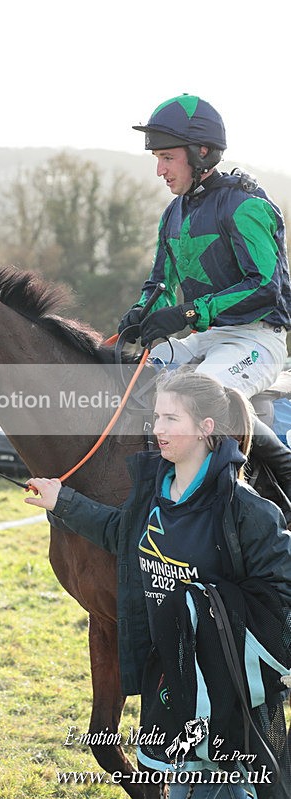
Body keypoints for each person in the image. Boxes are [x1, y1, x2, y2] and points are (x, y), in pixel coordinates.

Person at [25, 368, 291, 799]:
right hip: (165, 684)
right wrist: (62, 501)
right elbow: (121, 535)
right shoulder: (152, 495)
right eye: (156, 417)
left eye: (171, 419)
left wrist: (206, 615)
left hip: (227, 699)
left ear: (206, 428)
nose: (157, 430)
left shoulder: (249, 512)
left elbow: (283, 606)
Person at [117, 93, 291, 516]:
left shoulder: (245, 206)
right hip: (206, 336)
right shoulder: (173, 213)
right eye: (157, 158)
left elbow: (266, 288)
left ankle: (284, 477)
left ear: (202, 153)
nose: (160, 170)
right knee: (134, 373)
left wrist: (187, 313)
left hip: (258, 337)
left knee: (203, 394)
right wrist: (141, 311)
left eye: (167, 158)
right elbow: (160, 280)